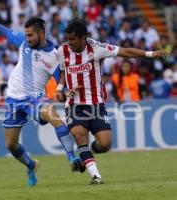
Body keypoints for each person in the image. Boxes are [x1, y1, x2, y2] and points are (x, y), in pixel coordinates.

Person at [0, 14, 83, 186]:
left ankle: (72, 158)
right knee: (10, 145)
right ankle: (31, 165)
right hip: (13, 98)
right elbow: (2, 29)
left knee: (55, 118)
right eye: (26, 35)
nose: (27, 38)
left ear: (42, 33)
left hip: (35, 98)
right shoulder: (22, 41)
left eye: (31, 35)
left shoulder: (54, 56)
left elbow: (61, 83)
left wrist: (66, 93)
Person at [55, 20, 166, 184]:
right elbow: (63, 73)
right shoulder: (62, 51)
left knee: (105, 144)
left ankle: (85, 154)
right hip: (74, 104)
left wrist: (150, 54)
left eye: (73, 39)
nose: (69, 43)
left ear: (84, 37)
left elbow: (125, 51)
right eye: (68, 39)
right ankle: (95, 176)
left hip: (96, 104)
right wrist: (61, 90)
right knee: (79, 135)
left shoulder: (97, 48)